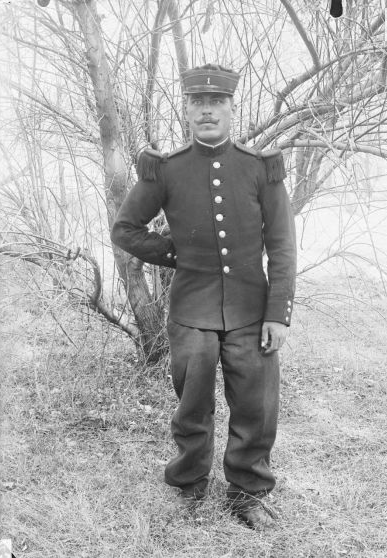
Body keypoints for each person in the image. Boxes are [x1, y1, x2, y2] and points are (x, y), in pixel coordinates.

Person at [110, 63, 296, 529]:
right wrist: (175, 252)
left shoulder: (260, 168)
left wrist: (279, 313)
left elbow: (282, 246)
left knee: (256, 407)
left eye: (217, 103)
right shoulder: (165, 169)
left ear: (232, 109)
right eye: (198, 103)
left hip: (253, 312)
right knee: (191, 406)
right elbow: (126, 230)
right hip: (191, 312)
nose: (207, 111)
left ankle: (247, 493)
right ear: (188, 109)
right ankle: (190, 485)